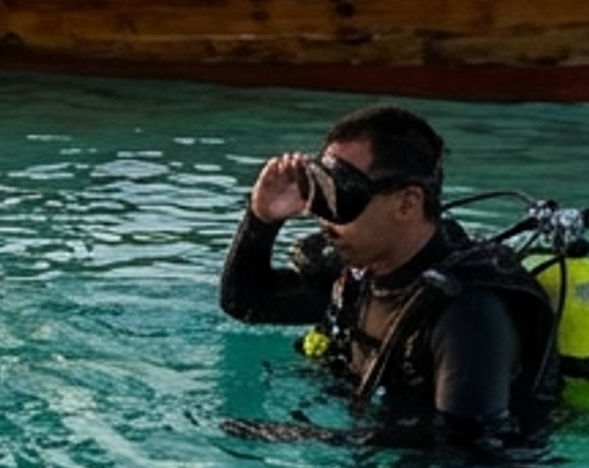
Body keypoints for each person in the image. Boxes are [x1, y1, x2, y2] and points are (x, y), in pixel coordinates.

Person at [219, 103, 557, 441]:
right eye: (323, 193)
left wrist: (311, 437)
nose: (326, 221)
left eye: (345, 196)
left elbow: (466, 448)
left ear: (407, 203)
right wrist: (262, 219)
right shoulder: (359, 275)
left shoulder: (468, 311)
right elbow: (248, 303)